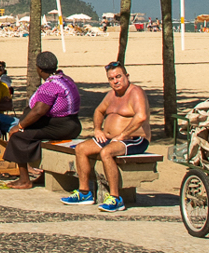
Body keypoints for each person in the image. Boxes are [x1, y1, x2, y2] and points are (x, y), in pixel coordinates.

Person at [62, 62, 151, 211]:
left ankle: (115, 198)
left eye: (118, 77)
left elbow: (141, 117)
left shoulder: (136, 92)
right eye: (111, 78)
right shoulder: (111, 95)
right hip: (111, 139)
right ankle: (84, 193)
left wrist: (123, 134)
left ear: (126, 76)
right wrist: (98, 129)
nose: (115, 81)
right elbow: (98, 111)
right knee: (81, 148)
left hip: (134, 139)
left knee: (106, 152)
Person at [1, 51, 81, 190]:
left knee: (18, 137)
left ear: (39, 69)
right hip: (73, 123)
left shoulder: (50, 86)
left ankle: (24, 179)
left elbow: (39, 111)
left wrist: (19, 126)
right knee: (34, 136)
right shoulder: (65, 79)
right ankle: (44, 174)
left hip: (61, 126)